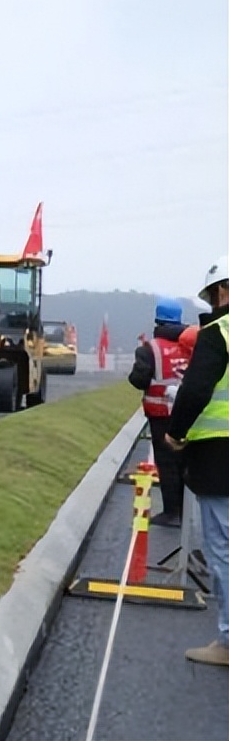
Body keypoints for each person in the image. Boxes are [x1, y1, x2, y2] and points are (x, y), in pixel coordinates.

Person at [165, 253, 229, 667]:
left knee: (222, 548)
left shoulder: (219, 333)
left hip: (220, 459)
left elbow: (195, 390)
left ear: (223, 290)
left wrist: (176, 431)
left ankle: (228, 641)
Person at [128, 297, 193, 526]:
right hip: (188, 414)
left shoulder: (150, 349)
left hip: (160, 416)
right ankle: (186, 513)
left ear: (157, 320)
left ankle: (171, 512)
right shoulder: (191, 345)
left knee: (166, 464)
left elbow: (139, 379)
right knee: (185, 463)